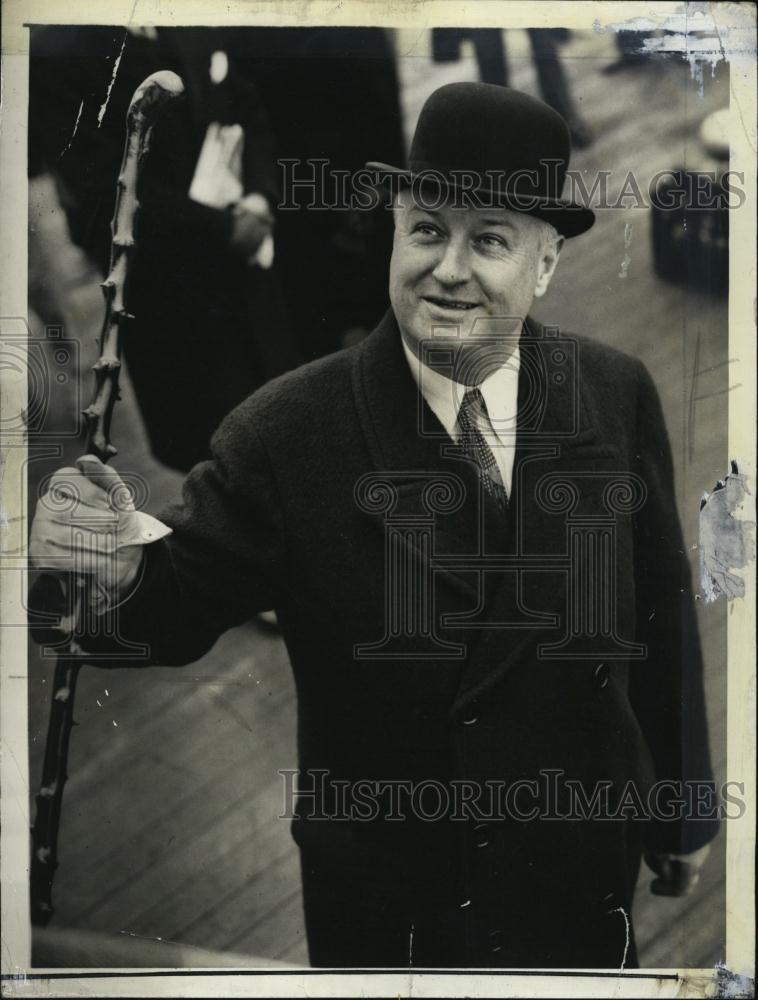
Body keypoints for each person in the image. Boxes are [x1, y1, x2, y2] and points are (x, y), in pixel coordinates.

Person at [30, 83, 717, 969]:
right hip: (397, 906)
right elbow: (172, 596)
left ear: (546, 266)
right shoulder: (288, 433)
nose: (449, 268)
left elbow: (660, 613)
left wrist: (685, 809)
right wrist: (116, 574)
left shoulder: (614, 391)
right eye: (427, 229)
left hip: (578, 865)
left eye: (491, 240)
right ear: (394, 231)